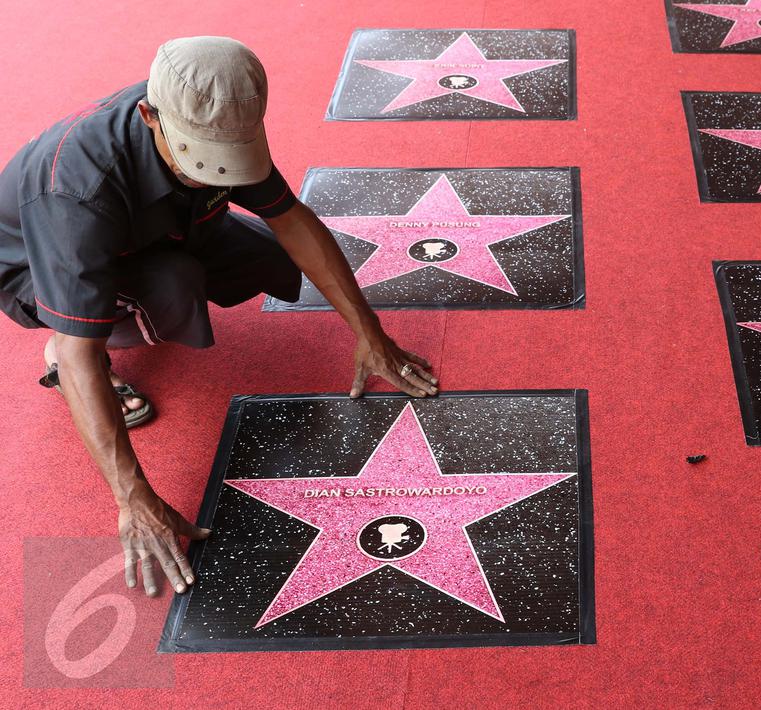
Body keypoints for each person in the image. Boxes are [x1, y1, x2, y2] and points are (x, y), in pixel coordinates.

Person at [0, 37, 439, 596]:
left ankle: (120, 303)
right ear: (149, 118)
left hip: (158, 229)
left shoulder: (217, 105)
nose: (214, 171)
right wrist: (133, 498)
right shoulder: (77, 193)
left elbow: (294, 220)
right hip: (40, 270)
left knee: (273, 252)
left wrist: (371, 335)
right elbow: (79, 339)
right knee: (168, 288)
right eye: (197, 156)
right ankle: (64, 344)